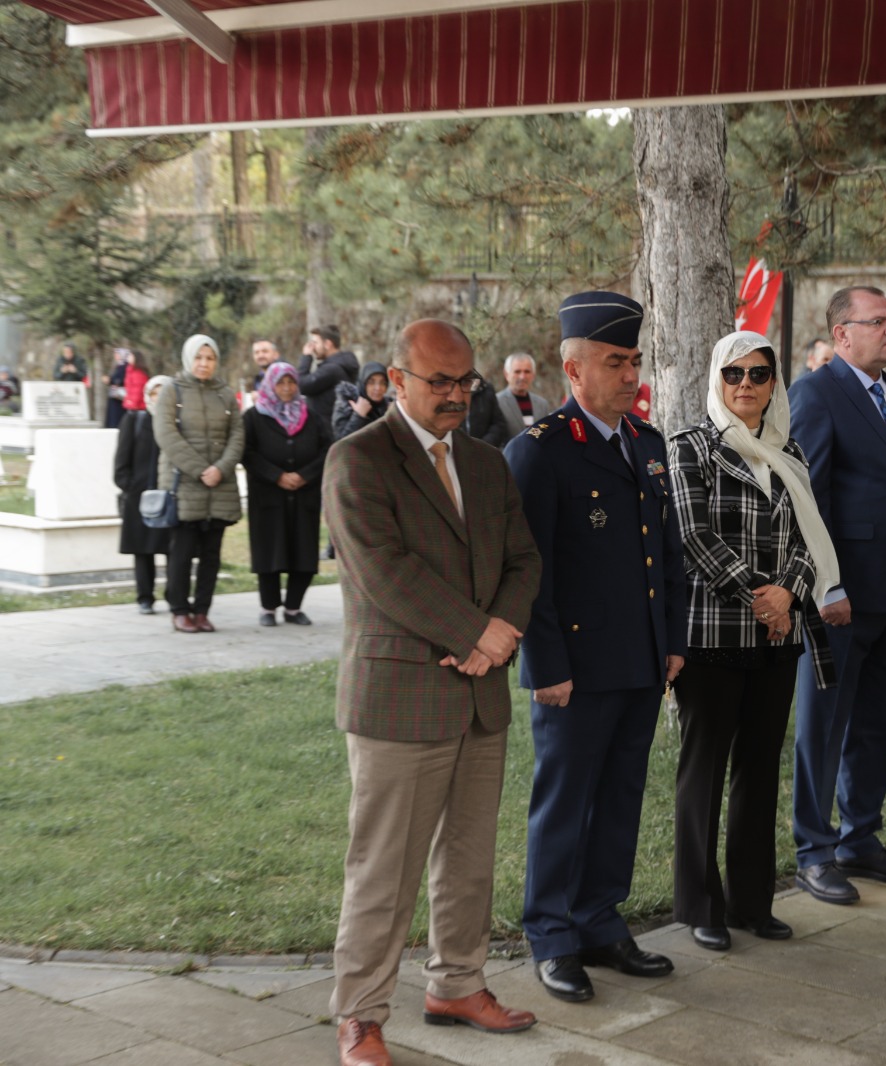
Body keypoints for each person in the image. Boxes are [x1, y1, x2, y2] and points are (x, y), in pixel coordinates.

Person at [323, 318, 540, 1066]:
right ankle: (359, 1013)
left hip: (480, 696)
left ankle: (456, 983)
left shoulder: (486, 463)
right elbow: (383, 572)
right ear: (397, 379)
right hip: (398, 701)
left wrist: (504, 629)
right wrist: (476, 636)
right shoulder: (358, 460)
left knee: (470, 858)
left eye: (464, 381)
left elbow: (523, 557)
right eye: (438, 382)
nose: (454, 395)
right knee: (384, 870)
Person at [505, 291, 686, 1004]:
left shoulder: (646, 443)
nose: (630, 375)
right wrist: (544, 664)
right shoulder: (542, 451)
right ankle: (551, 935)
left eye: (635, 361)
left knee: (619, 797)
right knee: (564, 802)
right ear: (572, 370)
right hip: (574, 670)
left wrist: (669, 643)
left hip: (639, 660)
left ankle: (600, 918)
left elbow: (664, 556)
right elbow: (530, 571)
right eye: (615, 363)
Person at [667, 330, 838, 951]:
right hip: (713, 636)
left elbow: (806, 539)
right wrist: (759, 595)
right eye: (734, 374)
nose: (746, 385)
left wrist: (788, 594)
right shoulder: (692, 447)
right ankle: (701, 907)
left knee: (760, 771)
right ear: (717, 379)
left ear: (774, 382)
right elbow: (692, 535)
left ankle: (750, 903)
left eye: (758, 374)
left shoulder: (790, 450)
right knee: (704, 773)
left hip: (778, 636)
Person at [787, 285, 886, 904]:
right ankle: (814, 850)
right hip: (841, 598)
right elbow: (806, 495)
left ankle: (860, 837)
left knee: (877, 724)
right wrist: (826, 584)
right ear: (842, 333)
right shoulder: (817, 392)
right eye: (878, 322)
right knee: (823, 727)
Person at [151, 334, 244, 634]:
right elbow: (166, 435)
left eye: (210, 358)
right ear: (189, 358)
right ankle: (179, 609)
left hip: (219, 485)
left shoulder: (225, 394)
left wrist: (221, 468)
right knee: (181, 552)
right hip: (184, 486)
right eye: (199, 357)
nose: (204, 364)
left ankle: (202, 610)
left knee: (211, 555)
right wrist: (201, 469)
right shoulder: (172, 390)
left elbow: (237, 435)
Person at [243, 363, 333, 627]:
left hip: (304, 494)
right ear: (270, 384)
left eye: (291, 382)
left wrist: (305, 475)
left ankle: (294, 608)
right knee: (269, 551)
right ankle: (268, 607)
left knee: (303, 552)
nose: (286, 388)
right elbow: (247, 452)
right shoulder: (253, 417)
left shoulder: (311, 416)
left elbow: (328, 447)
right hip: (268, 496)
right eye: (280, 383)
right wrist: (276, 476)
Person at [112, 373, 172, 615]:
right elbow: (120, 464)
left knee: (173, 549)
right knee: (142, 549)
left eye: (165, 393)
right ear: (148, 395)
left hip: (170, 496)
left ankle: (174, 595)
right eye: (155, 393)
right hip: (140, 497)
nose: (159, 398)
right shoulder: (134, 421)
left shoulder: (177, 424)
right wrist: (132, 487)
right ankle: (145, 597)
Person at [299, 324, 361, 430]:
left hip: (327, 430)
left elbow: (302, 385)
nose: (312, 348)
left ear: (327, 344)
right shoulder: (340, 365)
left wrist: (306, 357)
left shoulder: (331, 369)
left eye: (315, 343)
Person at [334, 362, 393, 440]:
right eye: (371, 382)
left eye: (383, 383)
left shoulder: (389, 406)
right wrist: (358, 416)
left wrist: (392, 418)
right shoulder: (347, 404)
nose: (378, 388)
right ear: (363, 383)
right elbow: (340, 443)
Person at [497, 352, 554, 433]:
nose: (522, 377)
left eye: (527, 372)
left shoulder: (542, 405)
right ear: (506, 374)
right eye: (517, 372)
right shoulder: (497, 402)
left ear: (533, 375)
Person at [465, 371, 513, 447]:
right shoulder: (449, 388)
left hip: (484, 451)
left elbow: (498, 423)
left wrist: (484, 444)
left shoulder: (486, 389)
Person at [103, 348, 128, 428]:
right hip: (115, 395)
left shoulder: (125, 366)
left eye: (117, 354)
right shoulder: (119, 365)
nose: (115, 356)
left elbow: (121, 379)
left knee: (116, 416)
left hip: (119, 397)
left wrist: (111, 380)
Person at [121, 349, 150, 416]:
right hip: (132, 405)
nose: (128, 358)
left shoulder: (139, 373)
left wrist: (133, 403)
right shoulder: (130, 371)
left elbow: (138, 389)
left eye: (130, 356)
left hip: (138, 407)